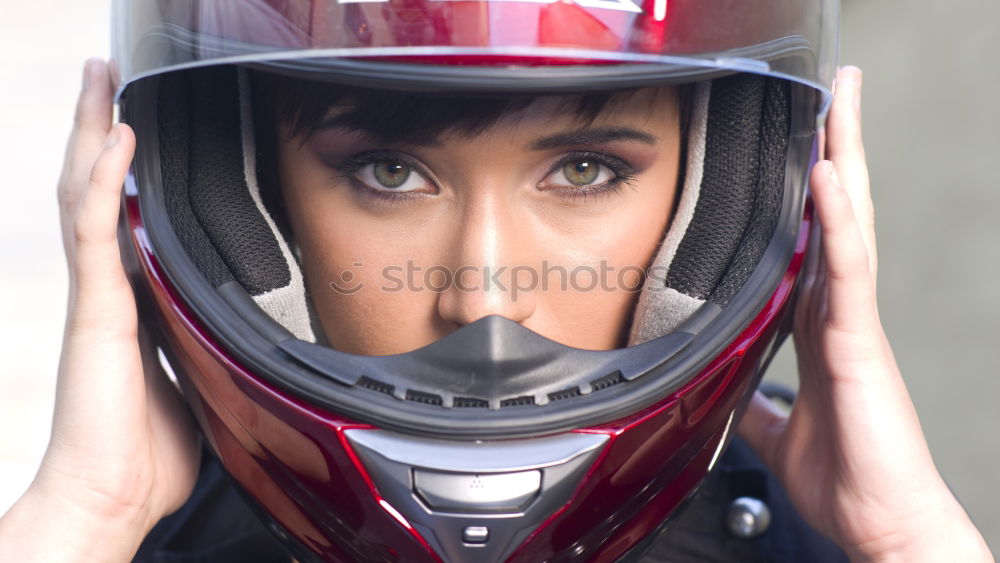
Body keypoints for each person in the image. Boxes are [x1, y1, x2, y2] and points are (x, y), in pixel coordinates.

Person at [0, 2, 993, 561]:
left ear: (738, 201)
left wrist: (907, 539)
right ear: (234, 205)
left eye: (586, 169)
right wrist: (88, 513)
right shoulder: (125, 539)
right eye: (388, 171)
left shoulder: (816, 542)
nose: (482, 299)